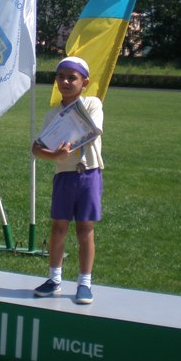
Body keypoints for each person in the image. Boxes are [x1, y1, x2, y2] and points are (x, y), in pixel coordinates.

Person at [32, 56, 104, 305]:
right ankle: (54, 279)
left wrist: (67, 146)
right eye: (60, 77)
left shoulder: (92, 104)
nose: (65, 82)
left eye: (72, 78)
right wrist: (55, 155)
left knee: (85, 229)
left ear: (85, 82)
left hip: (89, 173)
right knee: (58, 228)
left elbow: (92, 131)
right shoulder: (52, 115)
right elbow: (36, 148)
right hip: (63, 175)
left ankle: (85, 282)